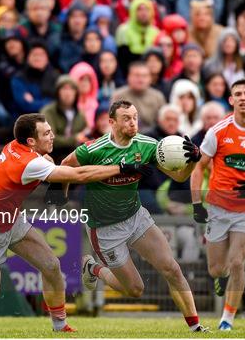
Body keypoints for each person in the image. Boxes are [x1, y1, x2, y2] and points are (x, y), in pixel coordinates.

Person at [0, 113, 151, 332]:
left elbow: (47, 164)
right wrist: (121, 168)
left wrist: (54, 174)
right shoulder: (28, 163)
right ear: (31, 141)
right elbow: (80, 176)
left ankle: (60, 326)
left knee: (51, 266)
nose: (53, 136)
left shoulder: (18, 146)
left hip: (11, 220)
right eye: (46, 133)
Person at [60, 100, 207, 332]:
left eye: (135, 117)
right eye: (126, 118)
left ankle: (196, 327)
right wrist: (62, 196)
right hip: (104, 228)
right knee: (135, 289)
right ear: (112, 122)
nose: (133, 122)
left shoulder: (147, 145)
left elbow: (179, 178)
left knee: (172, 269)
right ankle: (93, 268)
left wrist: (192, 162)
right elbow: (65, 166)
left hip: (136, 217)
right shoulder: (94, 149)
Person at [190, 78, 245, 331]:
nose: (242, 97)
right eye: (238, 93)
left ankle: (227, 319)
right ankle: (222, 276)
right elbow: (199, 168)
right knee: (217, 268)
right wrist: (197, 203)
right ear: (231, 100)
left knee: (239, 261)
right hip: (218, 206)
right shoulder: (218, 131)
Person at [40, 75, 88, 164]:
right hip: (53, 155)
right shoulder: (48, 112)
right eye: (64, 89)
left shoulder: (80, 114)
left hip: (75, 154)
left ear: (76, 93)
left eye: (71, 89)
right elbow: (49, 140)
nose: (68, 93)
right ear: (58, 92)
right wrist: (74, 139)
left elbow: (84, 135)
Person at [111, 62, 165, 132]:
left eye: (144, 76)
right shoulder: (118, 96)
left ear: (150, 78)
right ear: (128, 77)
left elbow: (163, 123)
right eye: (137, 76)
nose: (141, 80)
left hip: (153, 137)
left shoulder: (158, 97)